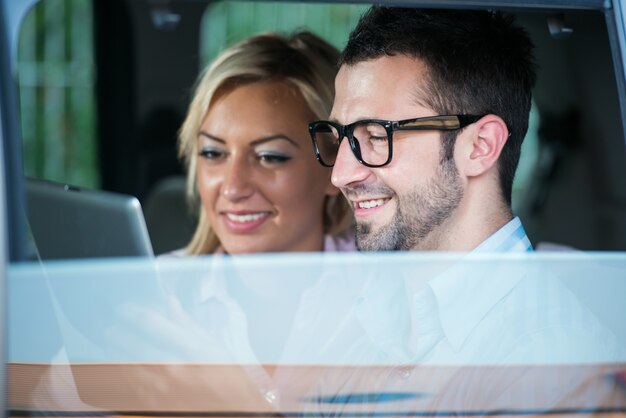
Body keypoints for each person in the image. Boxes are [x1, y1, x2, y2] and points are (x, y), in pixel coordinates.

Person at [309, 7, 535, 253]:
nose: (340, 176)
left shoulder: (538, 293)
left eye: (376, 136)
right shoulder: (361, 289)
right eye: (337, 138)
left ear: (481, 145)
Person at [177, 31, 354, 255]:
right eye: (213, 153)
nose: (233, 189)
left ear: (336, 164)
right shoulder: (154, 285)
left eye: (270, 157)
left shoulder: (391, 282)